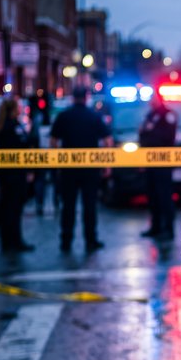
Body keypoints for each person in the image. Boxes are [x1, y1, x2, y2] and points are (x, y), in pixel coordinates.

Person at [50, 86, 112, 253]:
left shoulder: (63, 116)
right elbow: (108, 140)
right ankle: (90, 240)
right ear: (86, 97)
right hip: (90, 170)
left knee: (68, 206)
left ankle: (66, 241)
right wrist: (106, 165)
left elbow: (53, 141)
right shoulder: (94, 116)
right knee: (89, 206)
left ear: (73, 98)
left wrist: (57, 162)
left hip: (68, 170)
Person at [0, 97, 34, 252]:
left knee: (9, 208)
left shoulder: (3, 126)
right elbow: (22, 146)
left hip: (8, 174)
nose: (21, 108)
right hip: (14, 174)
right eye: (19, 106)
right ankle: (13, 241)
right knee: (13, 208)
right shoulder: (12, 127)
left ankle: (9, 241)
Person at [139, 90, 177, 241]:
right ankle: (155, 227)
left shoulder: (167, 115)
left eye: (153, 99)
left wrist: (150, 132)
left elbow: (167, 137)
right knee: (152, 195)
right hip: (150, 161)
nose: (150, 101)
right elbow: (142, 132)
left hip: (163, 162)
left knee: (164, 195)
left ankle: (168, 229)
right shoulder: (151, 114)